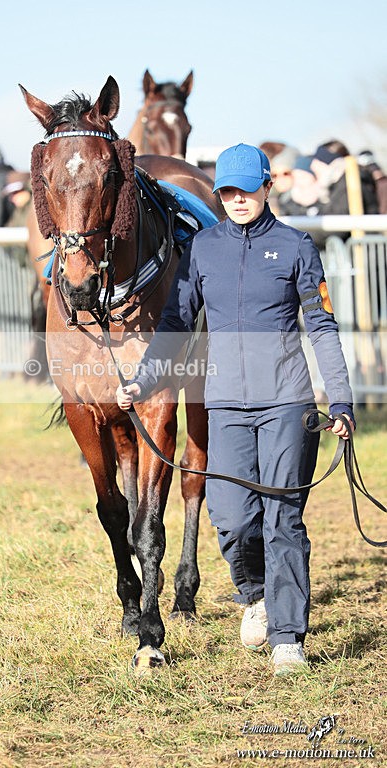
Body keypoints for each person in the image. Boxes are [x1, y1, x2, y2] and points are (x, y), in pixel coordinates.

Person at [116, 143, 355, 677]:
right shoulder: (203, 249)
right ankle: (256, 594)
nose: (236, 199)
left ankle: (288, 636)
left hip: (287, 404)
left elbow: (321, 326)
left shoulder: (296, 247)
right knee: (230, 516)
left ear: (268, 187)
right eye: (227, 190)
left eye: (246, 189)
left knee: (282, 518)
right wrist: (145, 378)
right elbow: (176, 322)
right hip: (225, 405)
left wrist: (339, 399)